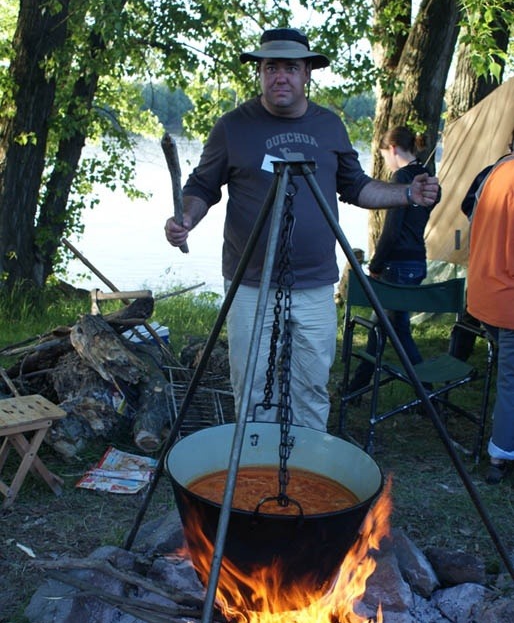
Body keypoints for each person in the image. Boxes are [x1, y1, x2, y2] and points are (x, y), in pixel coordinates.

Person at [164, 28, 440, 431]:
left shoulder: (329, 126)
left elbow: (357, 187)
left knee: (310, 388)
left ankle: (309, 480)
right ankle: (253, 473)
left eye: (291, 67)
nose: (280, 76)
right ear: (259, 72)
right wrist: (186, 219)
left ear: (307, 73)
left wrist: (407, 193)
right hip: (250, 285)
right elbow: (202, 187)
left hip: (313, 285)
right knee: (252, 388)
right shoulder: (232, 127)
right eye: (271, 67)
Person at [347, 126, 440, 394]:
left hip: (397, 264)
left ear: (393, 149)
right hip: (417, 261)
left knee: (394, 329)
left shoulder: (401, 177)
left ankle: (427, 391)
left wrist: (375, 265)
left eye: (384, 155)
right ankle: (355, 387)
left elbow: (392, 229)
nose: (385, 162)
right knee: (386, 326)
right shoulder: (426, 175)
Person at [466, 136, 514, 484]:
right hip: (508, 297)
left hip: (486, 293)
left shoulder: (495, 170)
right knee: (511, 380)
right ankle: (500, 455)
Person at [450, 132, 514, 361]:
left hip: (485, 277)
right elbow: (469, 206)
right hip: (498, 281)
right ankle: (456, 361)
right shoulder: (495, 172)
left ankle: (455, 363)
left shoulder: (495, 172)